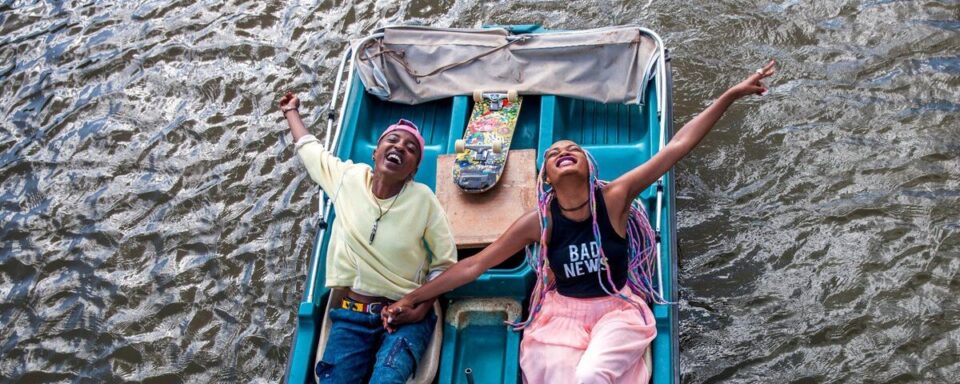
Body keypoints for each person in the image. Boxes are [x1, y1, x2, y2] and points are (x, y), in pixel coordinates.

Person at [384, 61, 777, 384]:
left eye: (574, 149)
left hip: (617, 310)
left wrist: (730, 95)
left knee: (590, 376)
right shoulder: (539, 221)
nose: (565, 151)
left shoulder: (615, 198)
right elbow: (475, 265)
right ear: (546, 179)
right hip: (562, 316)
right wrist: (413, 297)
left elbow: (677, 147)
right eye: (555, 153)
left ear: (590, 168)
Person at [280, 92, 457, 383]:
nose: (400, 147)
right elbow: (310, 151)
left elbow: (445, 263)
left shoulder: (423, 201)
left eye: (410, 148)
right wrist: (291, 112)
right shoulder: (347, 179)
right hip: (353, 315)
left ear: (413, 170)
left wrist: (420, 308)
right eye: (393, 140)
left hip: (406, 313)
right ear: (375, 152)